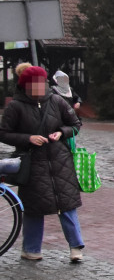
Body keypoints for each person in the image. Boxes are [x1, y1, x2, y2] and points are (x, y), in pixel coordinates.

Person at [0, 66, 85, 262]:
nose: (39, 87)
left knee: (67, 204)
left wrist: (61, 133)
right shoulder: (15, 106)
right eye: (34, 84)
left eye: (42, 83)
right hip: (32, 163)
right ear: (25, 86)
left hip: (60, 161)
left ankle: (76, 248)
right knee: (33, 208)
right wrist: (28, 138)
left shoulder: (56, 101)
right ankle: (31, 249)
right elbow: (4, 133)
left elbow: (75, 124)